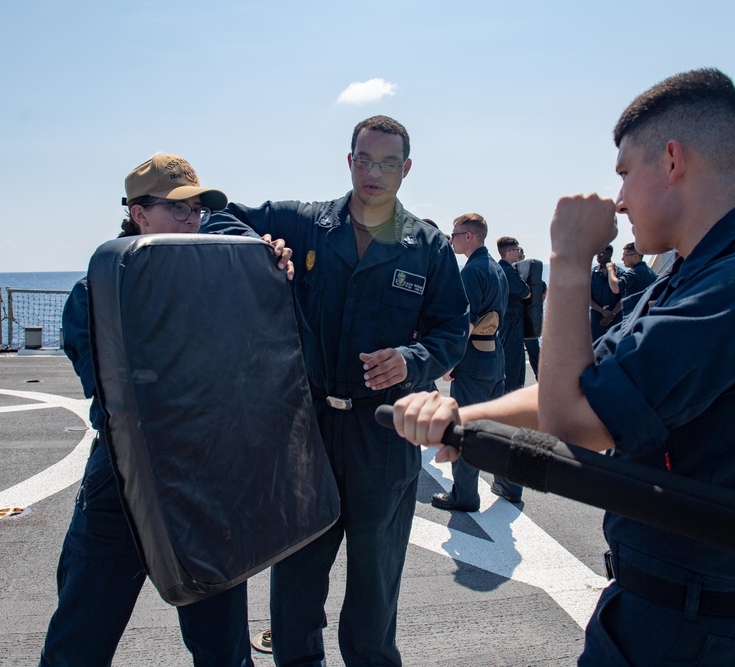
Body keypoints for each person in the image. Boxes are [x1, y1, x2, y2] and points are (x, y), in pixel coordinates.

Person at [390, 68, 735, 666]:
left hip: (708, 632)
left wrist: (570, 258)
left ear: (672, 159)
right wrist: (459, 417)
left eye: (625, 172)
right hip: (663, 608)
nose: (618, 198)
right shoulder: (698, 276)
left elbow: (577, 423)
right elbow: (579, 388)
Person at [211, 115, 469, 667]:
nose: (375, 173)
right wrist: (260, 247)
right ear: (349, 160)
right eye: (365, 160)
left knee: (374, 601)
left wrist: (410, 360)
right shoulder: (303, 225)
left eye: (388, 163)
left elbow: (453, 332)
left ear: (406, 168)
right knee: (295, 594)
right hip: (307, 434)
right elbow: (219, 213)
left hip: (383, 436)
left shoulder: (426, 246)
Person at [40, 154, 256, 667]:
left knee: (224, 648)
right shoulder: (96, 292)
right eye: (177, 208)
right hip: (124, 476)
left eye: (198, 209)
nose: (192, 219)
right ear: (138, 214)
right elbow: (115, 394)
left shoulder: (218, 285)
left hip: (205, 477)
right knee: (80, 637)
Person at [429, 213, 507, 512]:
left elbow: (468, 324)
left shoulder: (471, 271)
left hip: (473, 358)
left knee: (465, 429)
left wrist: (450, 363)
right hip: (494, 355)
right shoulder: (495, 268)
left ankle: (464, 496)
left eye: (455, 234)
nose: (452, 238)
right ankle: (509, 485)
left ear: (469, 236)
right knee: (497, 428)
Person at [494, 236, 531, 503]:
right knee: (513, 377)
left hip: (502, 326)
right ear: (509, 251)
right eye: (518, 249)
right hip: (512, 326)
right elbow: (528, 292)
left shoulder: (496, 269)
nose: (521, 253)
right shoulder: (507, 271)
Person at [609, 241, 657, 312]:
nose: (622, 259)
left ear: (635, 256)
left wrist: (610, 269)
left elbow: (616, 287)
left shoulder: (634, 272)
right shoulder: (651, 272)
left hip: (635, 313)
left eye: (625, 255)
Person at [589, 245, 620, 341]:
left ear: (610, 254)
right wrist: (602, 311)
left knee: (615, 343)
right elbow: (587, 297)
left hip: (615, 314)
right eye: (597, 254)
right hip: (597, 313)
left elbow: (624, 297)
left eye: (601, 254)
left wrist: (611, 315)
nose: (598, 256)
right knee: (596, 344)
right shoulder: (592, 274)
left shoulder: (619, 273)